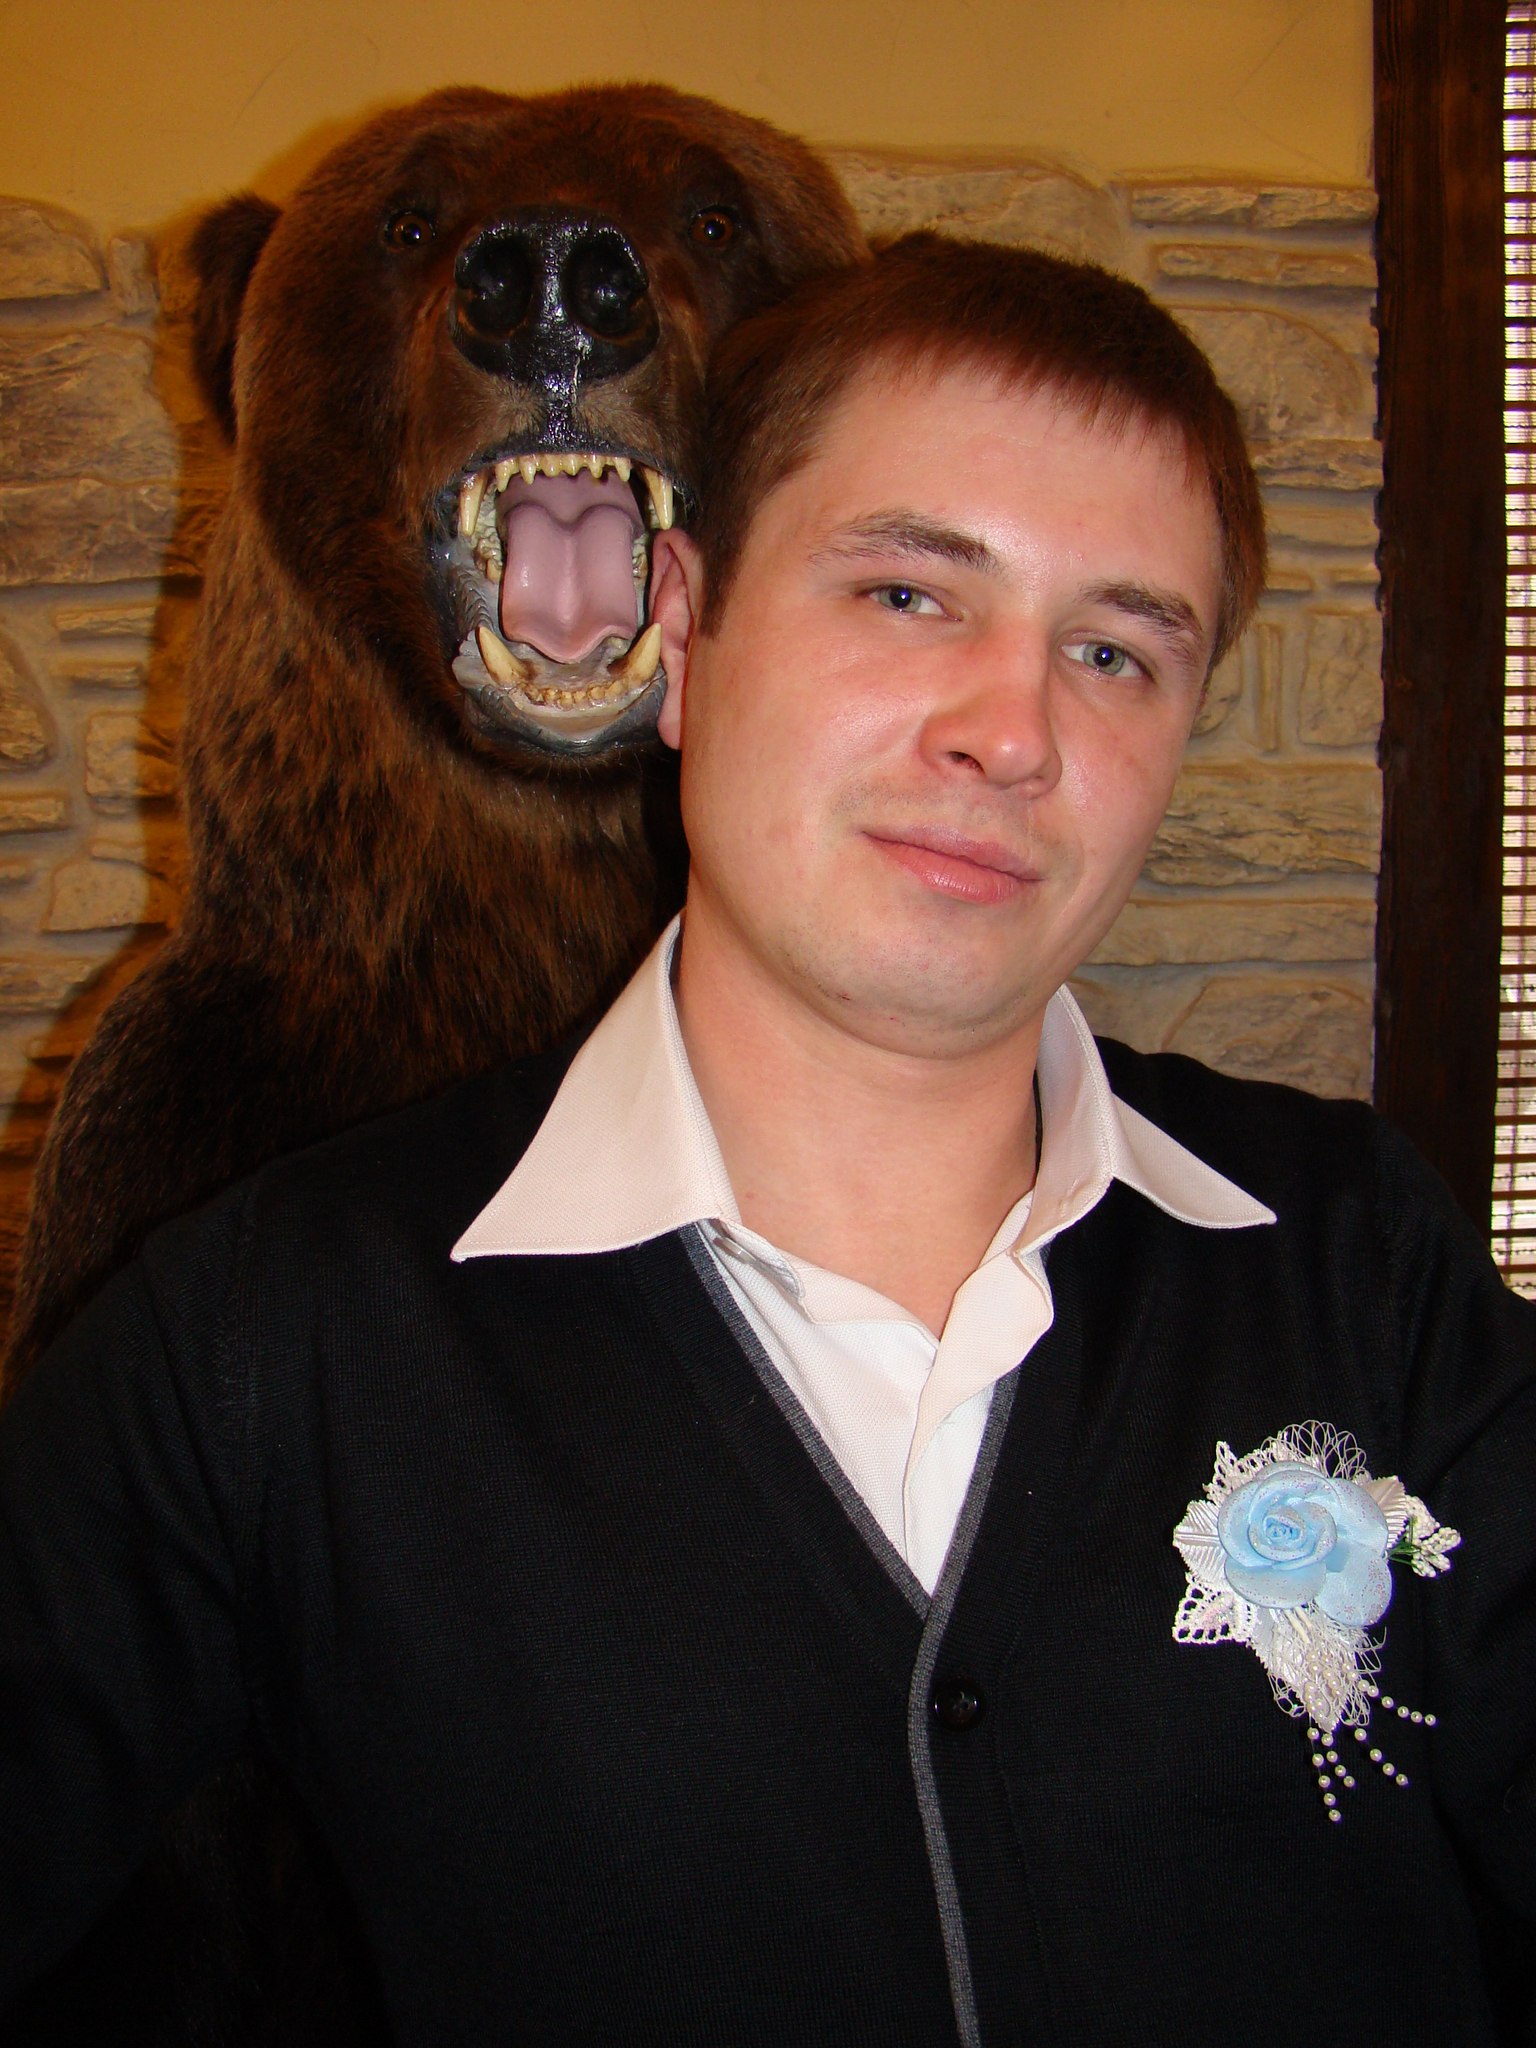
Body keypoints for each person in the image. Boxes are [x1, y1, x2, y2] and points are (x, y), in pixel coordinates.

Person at [1, 234, 1531, 2047]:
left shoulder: (1357, 1251)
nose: (1012, 734)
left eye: (1115, 651)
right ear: (683, 632)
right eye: (907, 593)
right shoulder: (267, 1340)